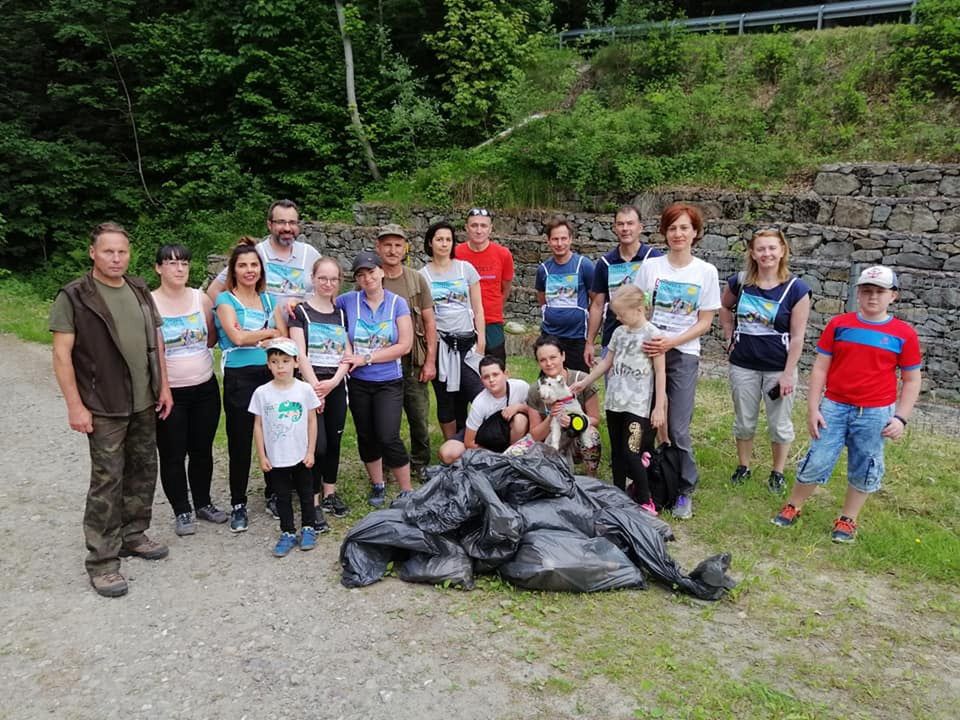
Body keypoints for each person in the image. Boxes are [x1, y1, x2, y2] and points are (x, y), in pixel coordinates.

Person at [49, 222, 173, 598]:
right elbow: (61, 355)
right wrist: (75, 405)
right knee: (107, 480)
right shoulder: (75, 296)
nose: (116, 258)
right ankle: (102, 561)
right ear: (92, 252)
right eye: (108, 251)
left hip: (143, 400)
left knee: (142, 470)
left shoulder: (138, 289)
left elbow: (156, 342)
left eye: (122, 251)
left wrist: (163, 386)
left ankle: (133, 534)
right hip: (102, 405)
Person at [772, 266, 922, 543]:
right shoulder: (839, 325)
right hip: (834, 407)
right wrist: (813, 407)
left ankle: (848, 518)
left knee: (865, 464)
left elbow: (912, 380)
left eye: (880, 292)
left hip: (876, 412)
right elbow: (820, 368)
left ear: (893, 296)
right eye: (866, 291)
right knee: (817, 458)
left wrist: (901, 418)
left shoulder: (904, 334)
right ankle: (795, 504)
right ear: (858, 293)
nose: (872, 297)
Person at [634, 203, 720, 519]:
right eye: (672, 228)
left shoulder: (705, 272)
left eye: (684, 228)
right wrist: (650, 335)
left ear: (695, 232)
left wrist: (672, 341)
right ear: (665, 233)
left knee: (678, 426)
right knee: (643, 418)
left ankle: (684, 488)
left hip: (683, 353)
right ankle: (645, 480)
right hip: (650, 349)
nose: (678, 234)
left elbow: (705, 321)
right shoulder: (651, 267)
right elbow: (639, 307)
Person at [718, 228, 812, 494]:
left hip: (778, 367)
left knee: (779, 424)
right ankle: (743, 466)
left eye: (772, 248)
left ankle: (778, 471)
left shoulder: (797, 289)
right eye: (761, 248)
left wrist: (788, 373)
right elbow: (724, 306)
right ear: (752, 252)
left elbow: (797, 336)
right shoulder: (741, 282)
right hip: (743, 363)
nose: (766, 254)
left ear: (782, 250)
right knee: (744, 420)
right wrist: (728, 335)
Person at [571, 286, 667, 513]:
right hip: (615, 402)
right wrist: (585, 382)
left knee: (630, 453)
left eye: (621, 313)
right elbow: (606, 363)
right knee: (616, 453)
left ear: (638, 309)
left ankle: (645, 500)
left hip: (637, 405)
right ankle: (617, 495)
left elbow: (661, 372)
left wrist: (659, 406)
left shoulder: (653, 335)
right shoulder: (619, 333)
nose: (617, 317)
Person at [152, 244, 226, 537]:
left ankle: (203, 503)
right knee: (172, 453)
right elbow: (152, 351)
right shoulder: (149, 303)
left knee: (202, 450)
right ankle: (181, 509)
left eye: (183, 263)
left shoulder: (201, 298)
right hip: (170, 393)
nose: (179, 268)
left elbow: (209, 338)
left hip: (204, 388)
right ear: (158, 268)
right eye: (171, 263)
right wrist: (162, 389)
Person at [214, 237, 286, 532]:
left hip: (269, 375)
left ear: (261, 269)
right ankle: (238, 503)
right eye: (242, 265)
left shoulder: (271, 300)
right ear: (233, 269)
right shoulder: (225, 300)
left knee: (273, 436)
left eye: (254, 264)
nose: (249, 270)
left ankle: (273, 493)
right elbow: (237, 338)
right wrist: (267, 333)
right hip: (239, 377)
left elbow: (283, 337)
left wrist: (260, 334)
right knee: (240, 440)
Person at [337, 250, 414, 507]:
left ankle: (406, 489)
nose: (367, 278)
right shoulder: (348, 301)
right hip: (358, 382)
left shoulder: (397, 303)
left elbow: (404, 345)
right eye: (361, 274)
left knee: (388, 434)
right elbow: (321, 309)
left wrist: (366, 358)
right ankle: (378, 484)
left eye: (371, 271)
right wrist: (293, 305)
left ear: (381, 272)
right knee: (366, 435)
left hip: (388, 380)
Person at [288, 257, 352, 518]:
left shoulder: (341, 314)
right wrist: (315, 387)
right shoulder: (300, 312)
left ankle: (329, 493)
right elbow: (299, 353)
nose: (328, 283)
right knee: (317, 444)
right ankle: (311, 499)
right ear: (313, 279)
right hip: (309, 386)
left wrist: (335, 381)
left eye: (333, 279)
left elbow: (347, 352)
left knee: (334, 441)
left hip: (335, 384)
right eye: (323, 278)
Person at [249, 339, 324, 556]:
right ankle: (288, 531)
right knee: (282, 496)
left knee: (306, 492)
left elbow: (312, 421)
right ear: (268, 365)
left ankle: (308, 527)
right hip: (277, 457)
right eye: (275, 361)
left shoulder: (305, 390)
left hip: (301, 455)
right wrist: (262, 455)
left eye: (285, 361)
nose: (280, 366)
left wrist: (310, 451)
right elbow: (258, 425)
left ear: (296, 363)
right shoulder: (262, 393)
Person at [376, 224, 437, 477]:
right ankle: (388, 464)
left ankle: (420, 463)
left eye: (398, 245)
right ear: (378, 248)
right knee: (384, 420)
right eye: (387, 245)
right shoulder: (370, 277)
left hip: (412, 360)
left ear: (405, 248)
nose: (392, 250)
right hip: (380, 362)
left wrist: (430, 360)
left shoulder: (416, 278)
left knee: (419, 417)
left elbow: (429, 321)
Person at [420, 221, 485, 439]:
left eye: (448, 239)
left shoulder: (465, 269)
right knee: (445, 398)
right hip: (441, 345)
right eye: (439, 239)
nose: (444, 244)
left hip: (467, 341)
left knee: (476, 393)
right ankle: (452, 444)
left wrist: (482, 339)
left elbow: (478, 307)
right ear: (430, 242)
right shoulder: (423, 275)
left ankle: (475, 439)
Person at [206, 199, 321, 312]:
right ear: (269, 225)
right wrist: (235, 316)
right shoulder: (255, 253)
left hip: (301, 328)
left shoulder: (310, 254)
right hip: (263, 329)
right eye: (281, 222)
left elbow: (329, 290)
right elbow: (213, 291)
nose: (287, 228)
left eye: (292, 222)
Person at [585, 205, 662, 368]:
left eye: (630, 223)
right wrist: (590, 342)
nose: (625, 228)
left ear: (640, 227)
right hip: (613, 337)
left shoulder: (655, 259)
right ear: (614, 228)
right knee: (615, 387)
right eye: (620, 224)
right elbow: (597, 305)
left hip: (648, 338)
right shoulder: (605, 263)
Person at [525, 335, 602, 476]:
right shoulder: (536, 390)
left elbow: (595, 419)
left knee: (592, 434)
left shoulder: (582, 380)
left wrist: (574, 421)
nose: (549, 363)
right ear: (538, 363)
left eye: (553, 357)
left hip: (578, 437)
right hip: (553, 441)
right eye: (543, 360)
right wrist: (552, 417)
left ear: (563, 356)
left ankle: (591, 476)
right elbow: (534, 435)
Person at [438, 356, 530, 465]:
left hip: (511, 432)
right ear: (481, 380)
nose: (491, 380)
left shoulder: (521, 387)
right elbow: (469, 442)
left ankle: (513, 455)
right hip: (483, 435)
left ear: (506, 374)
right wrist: (492, 455)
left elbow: (537, 413)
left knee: (520, 420)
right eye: (486, 377)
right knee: (446, 453)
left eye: (495, 374)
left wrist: (518, 407)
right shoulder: (479, 402)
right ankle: (496, 460)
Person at [454, 208, 514, 363]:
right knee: (465, 370)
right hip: (464, 321)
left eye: (483, 226)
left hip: (492, 320)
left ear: (490, 228)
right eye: (474, 226)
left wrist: (495, 306)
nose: (479, 231)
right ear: (466, 228)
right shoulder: (456, 254)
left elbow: (506, 287)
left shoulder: (503, 254)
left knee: (495, 368)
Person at [535, 217, 595, 372]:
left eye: (563, 238)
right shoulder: (543, 269)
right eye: (555, 239)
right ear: (548, 241)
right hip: (550, 337)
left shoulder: (584, 265)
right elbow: (542, 300)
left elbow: (596, 301)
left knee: (579, 386)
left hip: (577, 338)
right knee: (548, 387)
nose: (559, 244)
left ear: (571, 239)